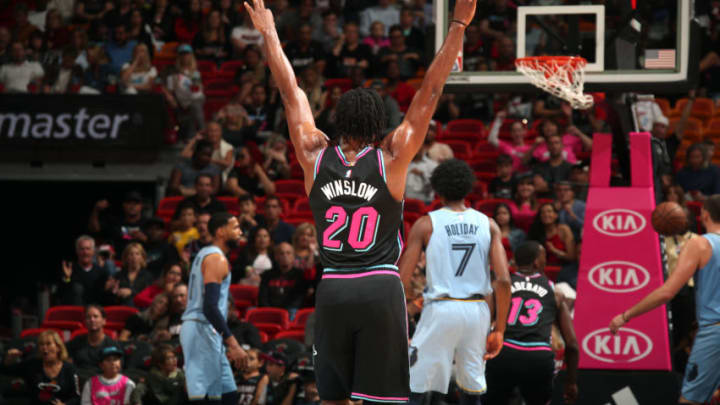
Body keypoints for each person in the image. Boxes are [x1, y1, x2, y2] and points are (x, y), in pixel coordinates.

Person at [243, 0, 476, 402]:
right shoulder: (392, 156)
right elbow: (429, 93)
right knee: (382, 398)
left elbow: (289, 92)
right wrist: (457, 25)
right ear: (377, 123)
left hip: (333, 288)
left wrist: (268, 31)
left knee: (332, 397)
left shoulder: (314, 155)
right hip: (379, 287)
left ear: (337, 121)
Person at [398, 159, 511, 405]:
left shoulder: (426, 224)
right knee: (472, 389)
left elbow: (401, 279)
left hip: (441, 308)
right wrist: (499, 328)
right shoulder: (489, 224)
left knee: (415, 386)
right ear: (468, 187)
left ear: (437, 190)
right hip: (477, 311)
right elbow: (503, 280)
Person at [609, 195, 720, 405]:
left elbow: (668, 292)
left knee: (690, 401)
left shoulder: (699, 244)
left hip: (715, 331)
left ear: (704, 214)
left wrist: (626, 315)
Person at [484, 241, 579, 405]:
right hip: (538, 357)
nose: (546, 261)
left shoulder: (501, 287)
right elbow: (572, 345)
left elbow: (483, 325)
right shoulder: (555, 292)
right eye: (544, 257)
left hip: (504, 352)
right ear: (536, 262)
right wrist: (571, 382)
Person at [180, 212, 248, 404]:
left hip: (208, 331)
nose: (240, 232)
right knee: (206, 398)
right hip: (201, 329)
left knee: (229, 394)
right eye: (235, 228)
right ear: (220, 232)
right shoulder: (216, 259)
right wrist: (233, 344)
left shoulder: (205, 254)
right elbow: (210, 307)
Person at [1, 330, 80, 405]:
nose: (44, 347)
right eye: (41, 344)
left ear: (58, 347)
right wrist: (8, 360)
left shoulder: (70, 369)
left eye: (48, 344)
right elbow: (7, 371)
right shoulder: (32, 365)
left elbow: (76, 398)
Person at [57, 235, 109, 305]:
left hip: (93, 314)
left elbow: (104, 299)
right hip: (75, 312)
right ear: (77, 251)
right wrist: (67, 278)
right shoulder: (69, 270)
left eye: (88, 249)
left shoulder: (101, 272)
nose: (85, 252)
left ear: (93, 251)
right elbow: (61, 293)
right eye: (82, 249)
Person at [67, 305, 119, 375]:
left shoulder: (112, 345)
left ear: (104, 321)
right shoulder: (76, 342)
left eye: (95, 316)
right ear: (85, 321)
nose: (92, 320)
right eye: (88, 317)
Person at [258, 242, 308, 314]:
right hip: (270, 311)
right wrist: (269, 311)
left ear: (293, 256)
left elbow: (299, 299)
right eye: (281, 253)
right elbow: (262, 298)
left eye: (288, 253)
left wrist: (283, 312)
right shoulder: (267, 275)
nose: (285, 256)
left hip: (290, 312)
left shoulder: (300, 275)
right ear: (276, 257)